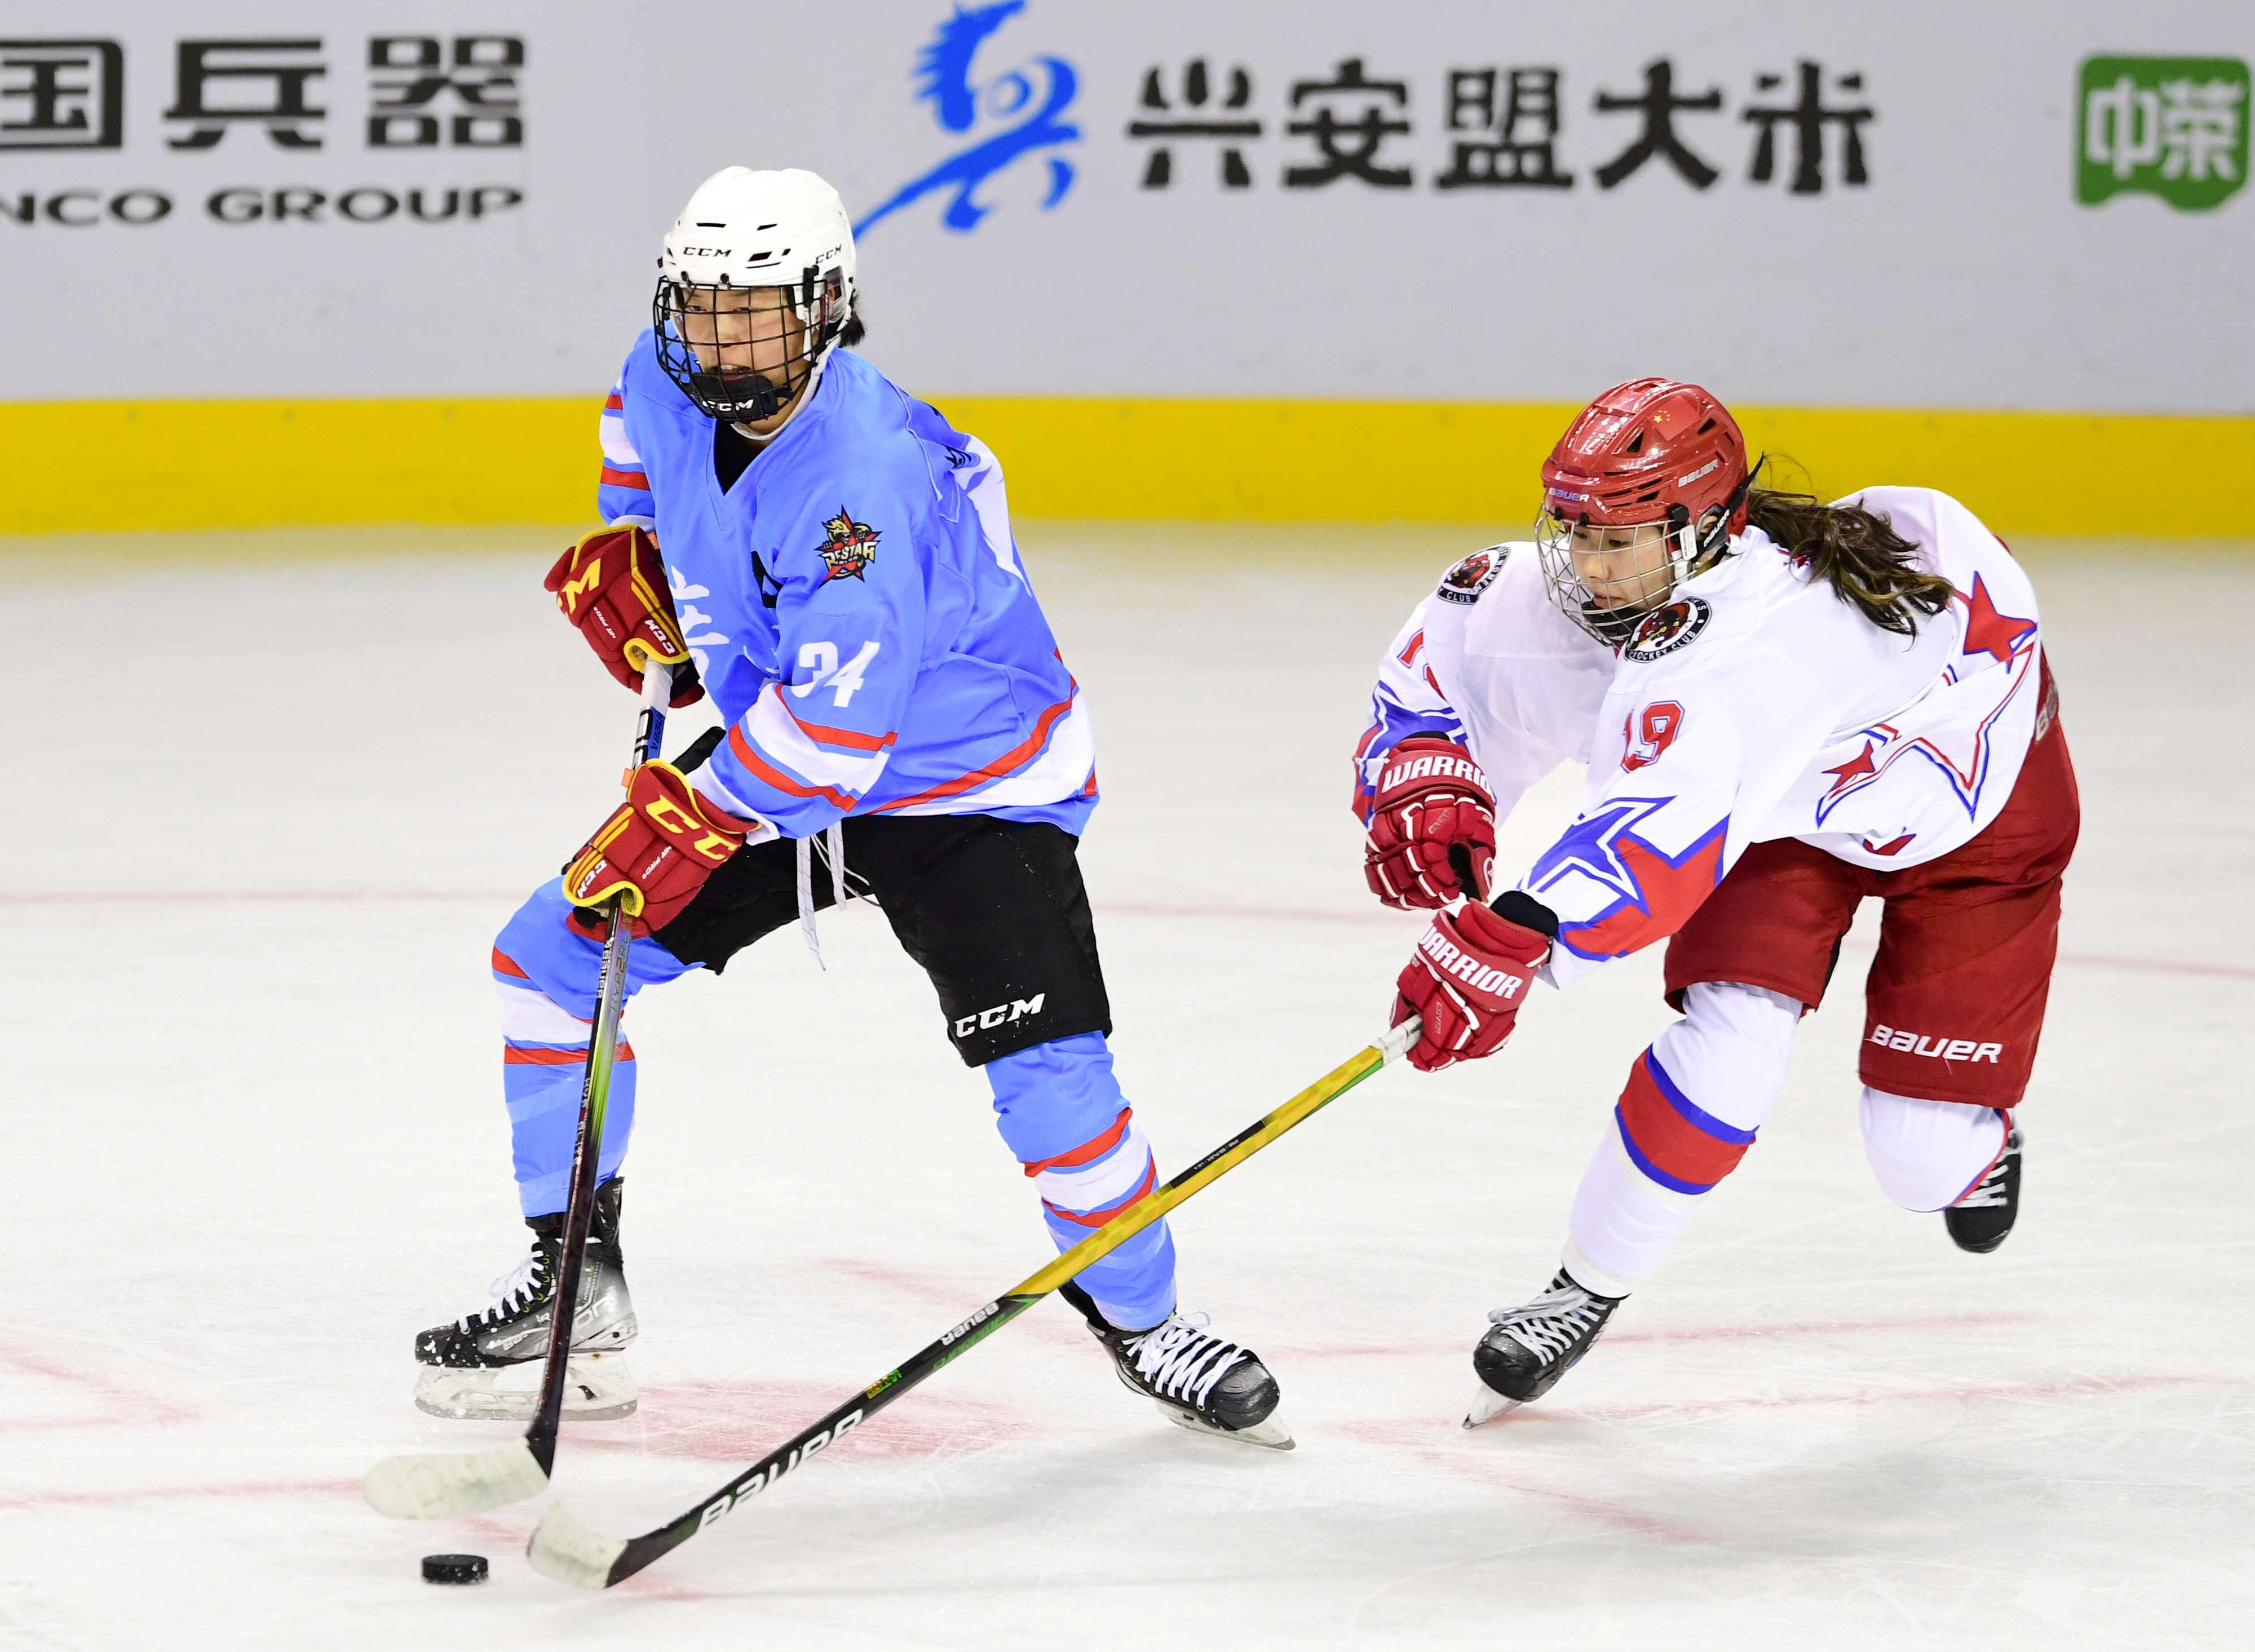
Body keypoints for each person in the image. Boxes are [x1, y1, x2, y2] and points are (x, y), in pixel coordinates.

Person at [412, 166, 1288, 1448]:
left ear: (825, 310)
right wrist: (637, 548)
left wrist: (693, 814)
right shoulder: (659, 373)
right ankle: (574, 1285)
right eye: (703, 308)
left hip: (967, 782)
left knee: (1049, 1077)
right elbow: (632, 443)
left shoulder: (861, 486)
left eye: (757, 312)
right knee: (549, 964)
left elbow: (834, 748)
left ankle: (1148, 1323)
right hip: (786, 742)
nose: (724, 342)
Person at [1350, 377, 2078, 1425]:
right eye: (1577, 532)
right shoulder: (1607, 596)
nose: (1588, 567)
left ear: (1700, 531)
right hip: (1781, 817)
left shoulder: (1778, 640)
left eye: (1619, 541)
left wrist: (1521, 935)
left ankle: (1975, 1146)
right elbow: (1450, 653)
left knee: (1919, 1163)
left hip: (1973, 822)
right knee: (1729, 1043)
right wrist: (1425, 767)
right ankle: (1583, 1288)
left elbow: (1660, 830)